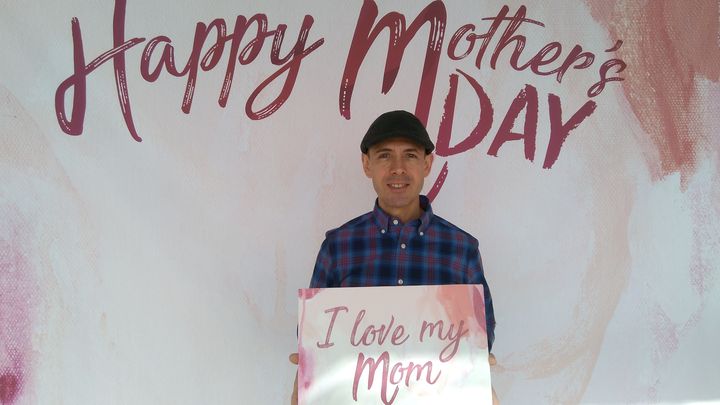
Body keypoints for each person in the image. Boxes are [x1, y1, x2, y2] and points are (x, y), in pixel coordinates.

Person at [290, 110, 498, 404]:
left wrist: (477, 359)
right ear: (367, 164)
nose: (398, 168)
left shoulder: (462, 249)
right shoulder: (338, 247)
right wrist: (310, 363)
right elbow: (315, 337)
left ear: (427, 164)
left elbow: (482, 334)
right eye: (385, 155)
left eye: (410, 155)